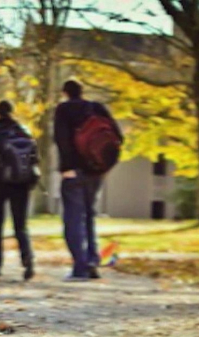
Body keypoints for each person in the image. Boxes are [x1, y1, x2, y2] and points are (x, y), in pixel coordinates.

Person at [53, 80, 122, 281]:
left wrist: (67, 167)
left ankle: (80, 267)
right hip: (96, 172)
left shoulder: (64, 110)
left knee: (73, 219)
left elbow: (62, 139)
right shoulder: (97, 108)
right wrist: (105, 165)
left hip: (74, 172)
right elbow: (117, 137)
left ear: (65, 93)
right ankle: (92, 261)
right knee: (89, 216)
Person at [0, 101, 37, 281]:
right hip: (22, 184)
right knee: (21, 225)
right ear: (12, 112)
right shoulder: (23, 131)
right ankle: (27, 260)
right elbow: (36, 157)